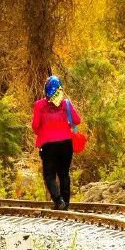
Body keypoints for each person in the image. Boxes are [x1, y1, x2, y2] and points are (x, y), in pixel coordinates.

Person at [31, 75, 81, 210]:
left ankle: (59, 201)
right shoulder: (66, 104)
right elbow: (77, 120)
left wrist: (45, 131)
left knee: (49, 175)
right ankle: (66, 203)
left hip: (48, 146)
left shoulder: (39, 105)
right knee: (64, 173)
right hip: (66, 144)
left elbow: (35, 126)